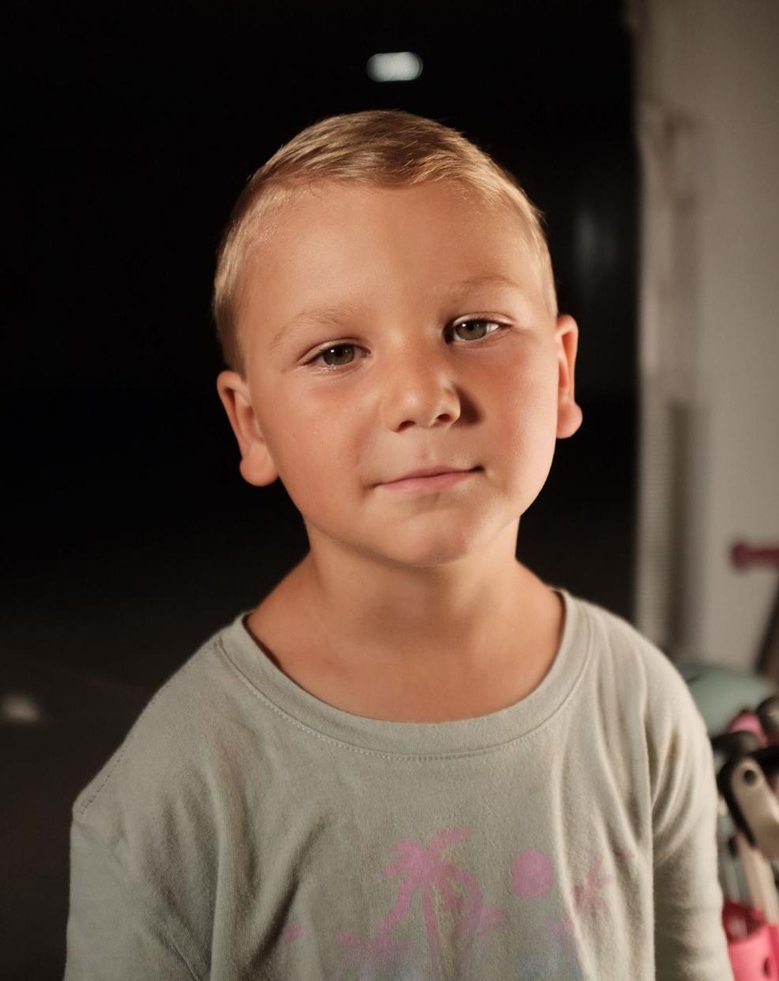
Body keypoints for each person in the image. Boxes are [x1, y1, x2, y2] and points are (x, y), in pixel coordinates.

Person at [64, 110, 733, 980]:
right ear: (252, 424)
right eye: (337, 351)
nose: (423, 397)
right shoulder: (171, 796)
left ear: (561, 371)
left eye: (473, 327)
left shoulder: (641, 708)